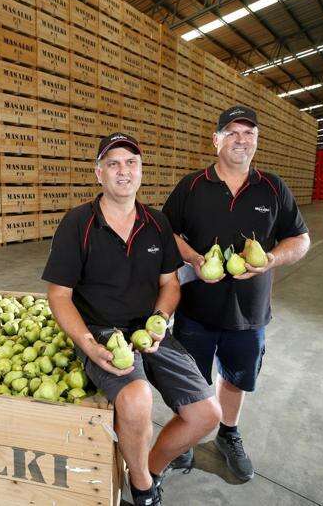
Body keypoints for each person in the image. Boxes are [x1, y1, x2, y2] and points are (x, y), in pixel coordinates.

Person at [43, 133, 222, 506]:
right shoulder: (77, 224)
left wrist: (159, 320)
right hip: (101, 333)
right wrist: (89, 346)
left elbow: (170, 284)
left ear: (141, 171)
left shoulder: (157, 224)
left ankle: (146, 470)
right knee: (137, 397)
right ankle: (142, 491)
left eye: (131, 163)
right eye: (113, 163)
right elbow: (59, 296)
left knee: (207, 414)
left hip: (149, 328)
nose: (123, 171)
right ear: (99, 173)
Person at [162, 106, 311, 482]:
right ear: (216, 140)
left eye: (249, 133)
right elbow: (168, 234)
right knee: (192, 377)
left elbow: (301, 238)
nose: (241, 140)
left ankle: (228, 434)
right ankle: (185, 436)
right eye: (232, 132)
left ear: (257, 141)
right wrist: (195, 260)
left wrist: (272, 258)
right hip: (196, 309)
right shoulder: (191, 187)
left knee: (237, 378)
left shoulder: (273, 187)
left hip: (249, 312)